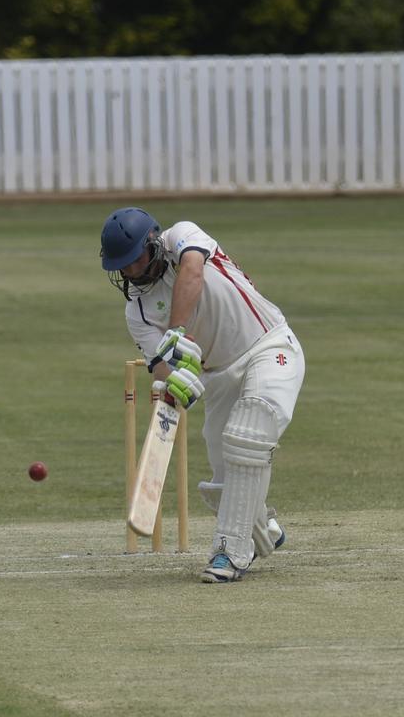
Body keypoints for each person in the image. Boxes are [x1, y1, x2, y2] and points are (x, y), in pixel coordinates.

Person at [100, 207, 305, 583]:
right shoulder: (139, 312)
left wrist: (176, 329)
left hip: (269, 346)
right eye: (122, 267)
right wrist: (176, 382)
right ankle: (263, 530)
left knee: (247, 437)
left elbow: (193, 273)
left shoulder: (182, 237)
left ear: (153, 243)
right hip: (219, 378)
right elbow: (161, 367)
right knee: (227, 476)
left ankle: (229, 553)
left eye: (134, 261)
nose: (130, 272)